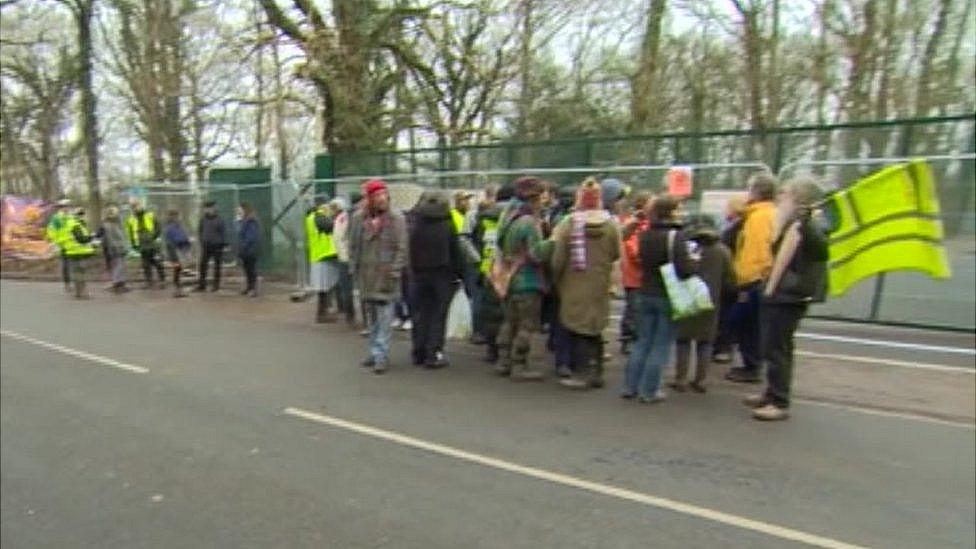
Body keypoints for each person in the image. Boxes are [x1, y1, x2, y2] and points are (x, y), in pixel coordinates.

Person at [744, 178, 828, 421]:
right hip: (789, 294)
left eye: (786, 194)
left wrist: (770, 289)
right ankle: (771, 394)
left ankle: (778, 400)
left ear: (799, 199)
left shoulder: (802, 226)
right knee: (777, 347)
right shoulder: (805, 224)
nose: (780, 197)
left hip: (786, 296)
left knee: (777, 348)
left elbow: (784, 259)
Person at [622, 195, 695, 403]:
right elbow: (685, 269)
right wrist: (694, 264)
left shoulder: (645, 235)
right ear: (671, 212)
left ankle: (630, 386)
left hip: (645, 291)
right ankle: (649, 390)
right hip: (667, 293)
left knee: (642, 341)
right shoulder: (676, 237)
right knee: (661, 344)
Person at [549, 178, 621, 390]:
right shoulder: (611, 225)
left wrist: (556, 278)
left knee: (575, 326)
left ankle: (581, 372)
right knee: (595, 327)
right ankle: (596, 371)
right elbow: (616, 253)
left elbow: (558, 258)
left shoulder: (569, 223)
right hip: (600, 281)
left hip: (573, 282)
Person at [494, 176, 553, 381]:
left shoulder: (509, 217)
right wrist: (553, 241)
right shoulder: (529, 222)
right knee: (526, 324)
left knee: (510, 321)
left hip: (510, 278)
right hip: (528, 280)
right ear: (534, 196)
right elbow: (536, 254)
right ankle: (519, 365)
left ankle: (503, 361)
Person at [669, 216, 734, 393]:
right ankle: (701, 380)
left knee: (683, 340)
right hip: (711, 299)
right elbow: (730, 279)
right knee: (705, 342)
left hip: (686, 297)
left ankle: (680, 378)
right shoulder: (722, 250)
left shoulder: (688, 248)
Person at [348, 179, 408, 374]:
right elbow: (354, 245)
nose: (382, 199)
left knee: (384, 317)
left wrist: (395, 271)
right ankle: (374, 352)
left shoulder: (396, 218)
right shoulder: (359, 218)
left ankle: (381, 355)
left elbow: (402, 248)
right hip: (366, 275)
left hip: (386, 276)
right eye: (377, 196)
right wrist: (353, 267)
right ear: (370, 199)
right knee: (371, 317)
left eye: (384, 195)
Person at [725, 172, 778, 383]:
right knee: (750, 325)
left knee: (743, 323)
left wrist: (746, 281)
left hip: (753, 280)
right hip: (760, 279)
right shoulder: (768, 214)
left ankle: (752, 365)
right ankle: (752, 364)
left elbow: (756, 252)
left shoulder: (758, 218)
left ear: (755, 192)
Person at [407, 190, 464, 369]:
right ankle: (433, 353)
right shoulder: (448, 224)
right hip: (443, 274)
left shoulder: (417, 223)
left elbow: (410, 248)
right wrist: (459, 274)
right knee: (438, 315)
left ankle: (418, 351)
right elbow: (456, 251)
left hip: (419, 274)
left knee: (421, 314)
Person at [472, 184, 514, 365]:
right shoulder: (514, 217)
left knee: (491, 312)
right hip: (508, 269)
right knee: (508, 313)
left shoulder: (483, 216)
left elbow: (473, 240)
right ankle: (506, 351)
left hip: (487, 267)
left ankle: (492, 350)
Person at [712, 195, 747, 363]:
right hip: (731, 274)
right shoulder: (736, 226)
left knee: (726, 313)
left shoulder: (736, 228)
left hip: (731, 275)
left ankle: (723, 347)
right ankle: (723, 346)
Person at [618, 191, 652, 354]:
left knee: (639, 308)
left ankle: (637, 337)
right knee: (633, 308)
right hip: (634, 275)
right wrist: (646, 259)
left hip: (644, 276)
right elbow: (632, 249)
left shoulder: (648, 225)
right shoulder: (634, 225)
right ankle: (628, 338)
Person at [305, 197, 340, 323]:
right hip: (323, 254)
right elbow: (331, 226)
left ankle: (324, 313)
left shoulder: (312, 216)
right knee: (324, 287)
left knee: (324, 287)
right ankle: (322, 314)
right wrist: (337, 216)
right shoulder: (318, 217)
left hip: (320, 254)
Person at [126, 199, 166, 289]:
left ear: (141, 205)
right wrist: (134, 244)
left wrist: (154, 236)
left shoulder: (150, 215)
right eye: (133, 207)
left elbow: (158, 226)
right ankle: (149, 281)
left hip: (152, 244)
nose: (136, 208)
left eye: (137, 206)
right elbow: (130, 233)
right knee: (146, 264)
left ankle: (162, 280)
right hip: (142, 245)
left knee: (157, 262)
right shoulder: (131, 220)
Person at [331, 197, 356, 326]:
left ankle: (350, 314)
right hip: (342, 256)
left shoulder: (344, 218)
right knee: (344, 286)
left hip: (346, 257)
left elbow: (345, 237)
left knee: (346, 287)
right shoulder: (340, 219)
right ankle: (347, 312)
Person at [63, 208, 97, 299]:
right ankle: (82, 293)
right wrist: (91, 237)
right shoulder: (75, 225)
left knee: (77, 272)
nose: (83, 216)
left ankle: (79, 292)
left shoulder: (72, 223)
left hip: (73, 251)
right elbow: (81, 239)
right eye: (81, 214)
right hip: (77, 252)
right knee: (80, 273)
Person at [195, 200, 226, 292]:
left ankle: (216, 285)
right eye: (206, 208)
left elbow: (223, 232)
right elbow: (200, 231)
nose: (207, 210)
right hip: (206, 245)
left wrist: (222, 243)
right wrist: (202, 241)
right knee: (203, 265)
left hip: (217, 246)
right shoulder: (203, 220)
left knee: (217, 266)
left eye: (209, 208)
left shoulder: (219, 220)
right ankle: (202, 285)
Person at [162, 209, 193, 298]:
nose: (178, 218)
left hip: (178, 250)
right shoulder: (171, 227)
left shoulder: (177, 226)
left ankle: (178, 288)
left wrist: (187, 241)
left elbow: (182, 236)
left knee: (178, 269)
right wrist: (187, 240)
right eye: (176, 216)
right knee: (177, 269)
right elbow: (178, 238)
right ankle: (177, 289)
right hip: (175, 250)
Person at [100, 206, 130, 293]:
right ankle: (117, 282)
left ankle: (120, 282)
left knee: (121, 265)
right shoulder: (108, 225)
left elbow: (122, 236)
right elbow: (111, 239)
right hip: (115, 248)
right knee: (118, 265)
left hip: (120, 247)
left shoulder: (117, 224)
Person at [46, 199, 73, 293]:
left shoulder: (71, 217)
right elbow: (51, 231)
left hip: (72, 246)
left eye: (68, 206)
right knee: (65, 266)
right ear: (60, 208)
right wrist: (56, 243)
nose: (66, 208)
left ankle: (72, 283)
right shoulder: (56, 218)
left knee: (72, 265)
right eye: (64, 206)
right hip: (62, 246)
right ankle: (66, 284)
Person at [236, 202, 260, 297]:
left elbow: (251, 237)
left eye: (239, 210)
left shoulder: (251, 221)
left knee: (251, 270)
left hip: (250, 250)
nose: (238, 212)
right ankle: (249, 287)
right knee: (247, 270)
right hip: (245, 250)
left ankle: (253, 289)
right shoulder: (242, 221)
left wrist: (244, 246)